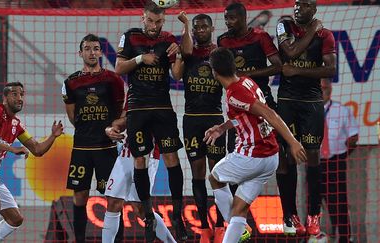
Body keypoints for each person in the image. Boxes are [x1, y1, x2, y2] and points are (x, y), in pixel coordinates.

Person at [205, 47, 307, 243]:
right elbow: (244, 116)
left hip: (252, 155)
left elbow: (270, 114)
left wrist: (293, 142)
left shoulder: (234, 92)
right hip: (270, 159)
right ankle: (238, 229)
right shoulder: (246, 81)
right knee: (239, 209)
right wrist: (223, 127)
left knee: (215, 178)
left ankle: (240, 229)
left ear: (214, 72)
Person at [115, 2, 187, 241]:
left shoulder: (168, 40)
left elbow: (177, 74)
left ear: (163, 21)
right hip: (137, 109)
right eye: (150, 21)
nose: (154, 26)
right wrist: (140, 59)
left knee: (171, 158)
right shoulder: (130, 37)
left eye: (158, 22)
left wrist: (178, 55)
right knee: (140, 160)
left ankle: (177, 216)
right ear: (142, 18)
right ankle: (148, 216)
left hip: (163, 108)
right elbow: (118, 68)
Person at [0, 82, 64, 243]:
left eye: (22, 94)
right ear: (5, 97)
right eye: (15, 94)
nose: (19, 98)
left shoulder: (17, 125)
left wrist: (53, 136)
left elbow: (37, 149)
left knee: (16, 219)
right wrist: (12, 148)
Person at [275, 0, 336, 236]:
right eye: (297, 3)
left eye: (305, 4)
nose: (299, 8)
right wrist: (312, 30)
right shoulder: (284, 25)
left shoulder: (327, 36)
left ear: (315, 9)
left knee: (312, 156)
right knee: (285, 156)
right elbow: (290, 51)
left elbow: (330, 70)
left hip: (311, 102)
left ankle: (313, 215)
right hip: (287, 102)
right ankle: (289, 215)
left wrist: (297, 70)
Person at [62, 33, 125, 243]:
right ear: (80, 53)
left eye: (96, 48)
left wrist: (111, 127)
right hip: (81, 148)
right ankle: (80, 240)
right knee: (80, 196)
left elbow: (119, 111)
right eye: (87, 48)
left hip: (106, 148)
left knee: (113, 199)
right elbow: (73, 117)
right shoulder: (70, 83)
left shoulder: (113, 79)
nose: (92, 52)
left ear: (100, 52)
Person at [172, 12, 226, 243]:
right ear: (192, 31)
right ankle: (204, 227)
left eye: (204, 26)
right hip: (192, 120)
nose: (200, 30)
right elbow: (175, 75)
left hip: (214, 119)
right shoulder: (188, 54)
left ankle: (222, 225)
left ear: (212, 29)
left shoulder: (220, 54)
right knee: (198, 173)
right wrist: (184, 28)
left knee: (218, 174)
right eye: (196, 28)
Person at [102, 110, 176, 243]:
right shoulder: (132, 93)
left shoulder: (156, 93)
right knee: (113, 202)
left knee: (140, 207)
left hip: (148, 154)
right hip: (126, 152)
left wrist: (126, 121)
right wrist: (113, 129)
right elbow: (123, 119)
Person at [217, 2, 282, 153]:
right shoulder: (223, 40)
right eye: (226, 18)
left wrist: (246, 75)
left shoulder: (260, 37)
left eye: (232, 18)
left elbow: (278, 66)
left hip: (262, 99)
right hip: (237, 104)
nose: (228, 23)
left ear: (244, 18)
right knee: (235, 149)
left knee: (278, 149)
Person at [320, 78, 358, 242]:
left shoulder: (342, 110)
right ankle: (313, 236)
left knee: (339, 202)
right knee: (313, 203)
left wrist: (342, 155)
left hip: (336, 162)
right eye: (320, 88)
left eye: (326, 88)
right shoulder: (308, 110)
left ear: (330, 89)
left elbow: (353, 137)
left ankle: (344, 238)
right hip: (315, 164)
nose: (323, 91)